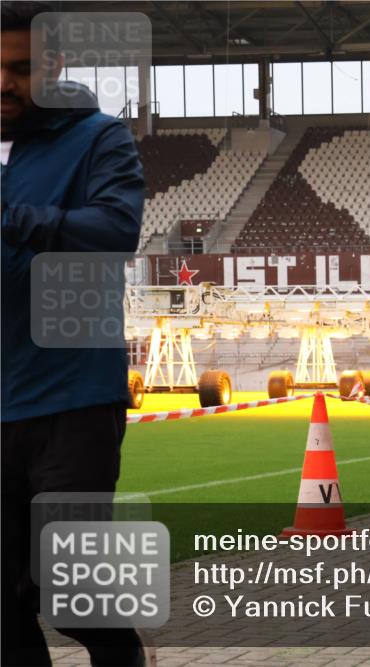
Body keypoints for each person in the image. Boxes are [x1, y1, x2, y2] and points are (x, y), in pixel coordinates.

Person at [1, 3, 147, 665]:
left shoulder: (98, 138)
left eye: (21, 68)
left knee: (72, 590)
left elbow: (114, 232)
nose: (4, 82)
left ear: (55, 65)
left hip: (72, 398)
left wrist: (13, 217)